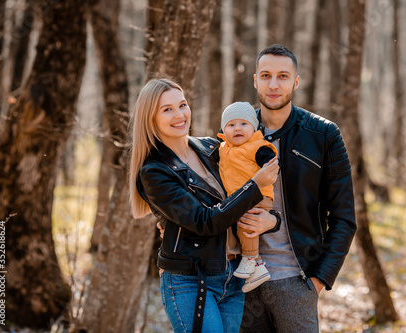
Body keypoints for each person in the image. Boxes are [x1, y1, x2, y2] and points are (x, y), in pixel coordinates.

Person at [128, 78, 280, 333]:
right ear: (150, 118)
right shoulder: (155, 172)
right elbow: (204, 221)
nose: (180, 115)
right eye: (167, 109)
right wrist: (255, 185)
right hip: (190, 279)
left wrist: (272, 220)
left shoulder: (212, 148)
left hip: (234, 274)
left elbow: (241, 197)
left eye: (183, 105)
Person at [240, 44, 357, 332]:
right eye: (266, 75)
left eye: (283, 76)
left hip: (296, 280)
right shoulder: (236, 131)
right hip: (240, 282)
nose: (274, 84)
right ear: (255, 80)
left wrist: (317, 281)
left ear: (296, 81)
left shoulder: (323, 134)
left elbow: (344, 218)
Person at [216, 101, 278, 292]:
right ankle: (257, 267)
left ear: (254, 127)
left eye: (244, 124)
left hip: (258, 197)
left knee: (246, 224)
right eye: (231, 125)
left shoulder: (257, 146)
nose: (238, 129)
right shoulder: (222, 148)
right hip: (237, 199)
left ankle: (250, 258)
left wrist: (269, 164)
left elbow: (270, 162)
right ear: (223, 130)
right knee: (238, 227)